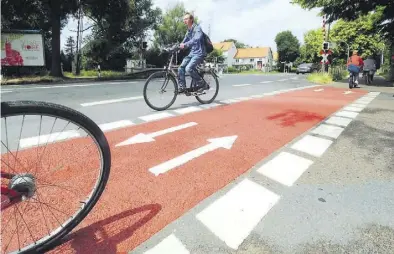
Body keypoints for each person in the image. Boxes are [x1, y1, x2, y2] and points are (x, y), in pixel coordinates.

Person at [178, 12, 207, 93]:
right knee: (181, 67)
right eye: (184, 19)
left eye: (186, 19)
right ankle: (182, 87)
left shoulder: (197, 28)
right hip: (192, 53)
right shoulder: (188, 31)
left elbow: (196, 39)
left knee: (188, 68)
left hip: (199, 53)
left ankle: (202, 84)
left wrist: (185, 44)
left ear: (191, 20)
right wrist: (177, 46)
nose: (185, 20)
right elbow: (183, 41)